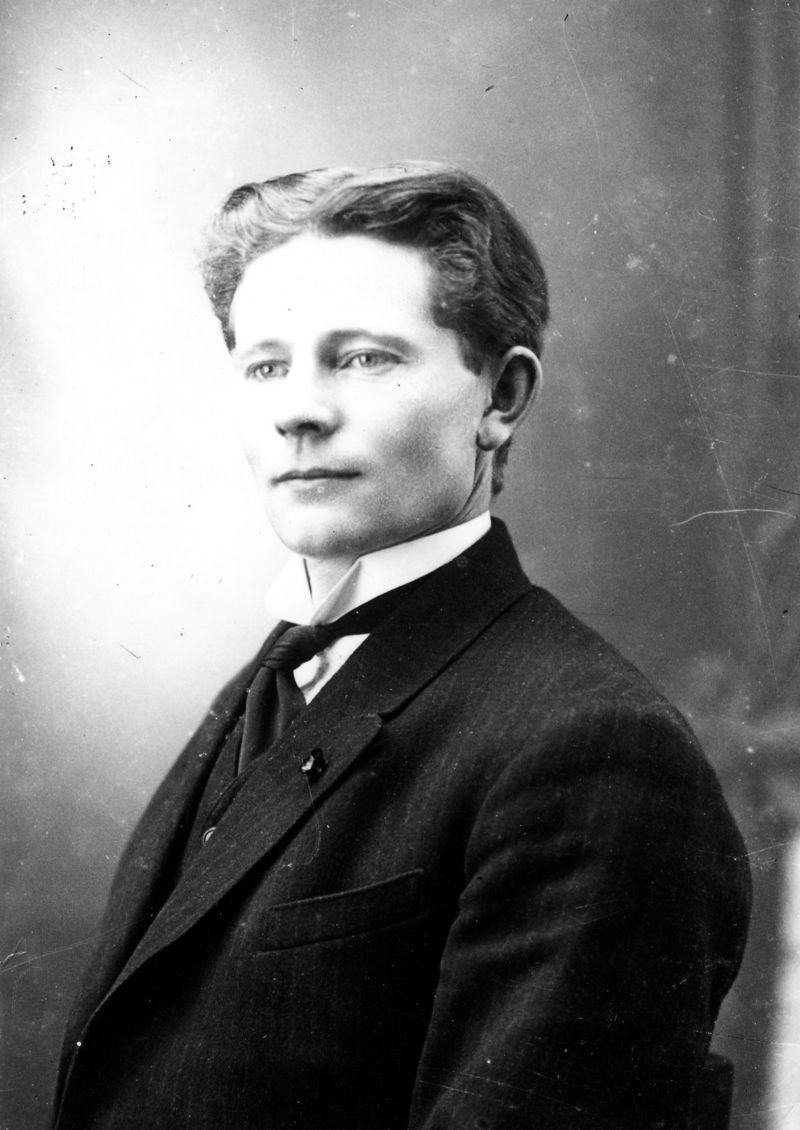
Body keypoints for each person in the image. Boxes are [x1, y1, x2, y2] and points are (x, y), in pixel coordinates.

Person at [52, 163, 751, 1130]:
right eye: (266, 366)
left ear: (501, 397)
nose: (298, 409)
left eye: (362, 358)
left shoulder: (592, 747)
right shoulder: (268, 683)